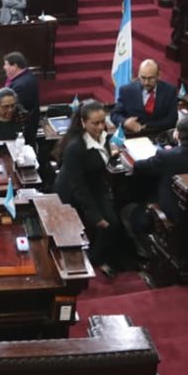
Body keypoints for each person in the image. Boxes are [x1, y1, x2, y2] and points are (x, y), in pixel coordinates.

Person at [120, 115, 188, 256]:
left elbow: (138, 167)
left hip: (173, 215)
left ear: (177, 134)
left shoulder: (167, 156)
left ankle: (146, 254)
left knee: (127, 212)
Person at [55, 99, 122, 277]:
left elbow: (101, 159)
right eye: (95, 123)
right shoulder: (75, 148)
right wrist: (95, 216)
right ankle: (84, 262)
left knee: (113, 223)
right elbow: (78, 187)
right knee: (102, 224)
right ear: (84, 123)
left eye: (103, 121)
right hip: (71, 191)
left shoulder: (103, 135)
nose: (101, 127)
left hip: (95, 184)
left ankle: (95, 259)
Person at [111, 59, 179, 135]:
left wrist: (147, 125)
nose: (146, 82)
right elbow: (115, 114)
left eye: (150, 78)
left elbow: (172, 120)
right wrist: (125, 122)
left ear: (159, 76)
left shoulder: (169, 91)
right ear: (138, 75)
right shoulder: (127, 91)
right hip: (133, 135)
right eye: (143, 78)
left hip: (159, 134)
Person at [3, 51, 39, 149]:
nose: (4, 67)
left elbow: (13, 110)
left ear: (14, 66)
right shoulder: (25, 77)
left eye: (6, 64)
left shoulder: (21, 86)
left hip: (22, 131)